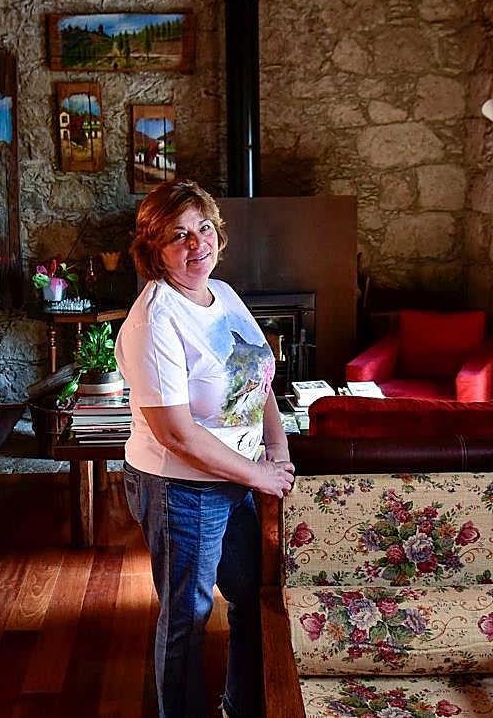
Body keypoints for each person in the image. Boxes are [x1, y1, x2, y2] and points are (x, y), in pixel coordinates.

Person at [116, 179, 295, 718]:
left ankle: (240, 707)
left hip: (239, 477)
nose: (197, 245)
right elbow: (175, 433)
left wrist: (277, 451)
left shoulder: (224, 295)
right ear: (153, 249)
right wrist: (260, 475)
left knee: (254, 599)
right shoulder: (154, 319)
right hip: (181, 488)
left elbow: (257, 379)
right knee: (187, 618)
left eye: (204, 228)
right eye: (178, 236)